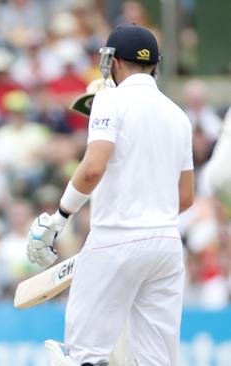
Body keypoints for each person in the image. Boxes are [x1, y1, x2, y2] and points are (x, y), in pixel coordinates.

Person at [26, 24, 194, 366]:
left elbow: (92, 168)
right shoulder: (179, 116)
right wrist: (147, 215)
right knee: (156, 361)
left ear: (114, 62)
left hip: (115, 239)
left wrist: (58, 219)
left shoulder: (108, 99)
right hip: (165, 245)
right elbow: (186, 196)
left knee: (82, 357)